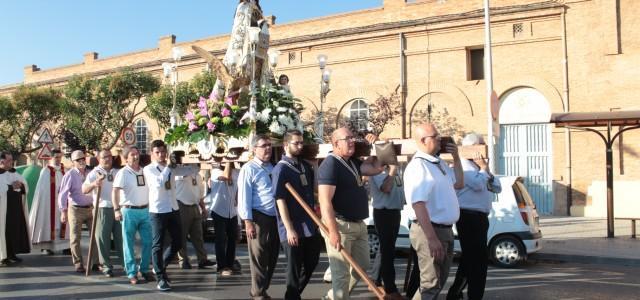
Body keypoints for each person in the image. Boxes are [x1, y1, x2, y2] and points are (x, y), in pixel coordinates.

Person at [318, 127, 386, 300]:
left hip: (359, 225)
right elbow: (324, 201)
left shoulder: (352, 162)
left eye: (352, 138)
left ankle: (333, 296)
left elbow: (377, 168)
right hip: (340, 226)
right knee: (340, 274)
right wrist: (332, 232)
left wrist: (376, 144)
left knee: (361, 267)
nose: (351, 141)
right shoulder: (330, 164)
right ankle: (339, 296)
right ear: (335, 144)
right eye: (346, 138)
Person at [403, 123, 464, 300]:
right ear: (423, 140)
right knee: (430, 284)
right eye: (435, 136)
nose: (440, 139)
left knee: (436, 283)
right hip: (430, 230)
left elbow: (459, 183)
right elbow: (418, 204)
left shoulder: (439, 163)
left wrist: (457, 158)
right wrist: (431, 238)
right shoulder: (418, 166)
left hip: (444, 230)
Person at [447, 134, 501, 300]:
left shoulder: (480, 167)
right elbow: (478, 185)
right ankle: (474, 295)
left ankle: (455, 293)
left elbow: (497, 187)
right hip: (468, 217)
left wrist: (485, 170)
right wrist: (484, 169)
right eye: (481, 144)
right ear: (472, 148)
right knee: (478, 261)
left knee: (470, 260)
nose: (484, 148)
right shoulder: (463, 166)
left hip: (480, 218)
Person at [143, 140, 198, 291]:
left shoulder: (172, 168)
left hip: (173, 208)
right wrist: (169, 166)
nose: (161, 155)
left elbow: (190, 170)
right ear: (152, 154)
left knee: (179, 242)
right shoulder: (149, 169)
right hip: (158, 211)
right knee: (158, 245)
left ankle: (160, 266)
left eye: (163, 151)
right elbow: (159, 183)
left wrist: (197, 159)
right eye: (157, 152)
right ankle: (160, 278)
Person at [272, 130, 321, 300]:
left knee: (312, 262)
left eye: (302, 143)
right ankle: (292, 296)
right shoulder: (281, 169)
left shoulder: (305, 166)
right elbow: (280, 200)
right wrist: (289, 228)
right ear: (286, 145)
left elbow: (315, 190)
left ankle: (292, 296)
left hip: (309, 225)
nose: (300, 146)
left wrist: (315, 165)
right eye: (296, 143)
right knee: (294, 268)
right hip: (292, 227)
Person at [237, 134, 279, 300]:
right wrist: (247, 222)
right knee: (259, 257)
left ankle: (262, 288)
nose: (268, 148)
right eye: (263, 146)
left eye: (269, 145)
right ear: (254, 149)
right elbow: (244, 198)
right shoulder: (249, 169)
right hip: (258, 218)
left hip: (275, 217)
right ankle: (258, 292)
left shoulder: (273, 167)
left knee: (272, 256)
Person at [112, 146, 154, 285]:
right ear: (126, 157)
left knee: (148, 242)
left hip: (145, 211)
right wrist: (116, 209)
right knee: (128, 243)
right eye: (132, 154)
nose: (136, 157)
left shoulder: (144, 171)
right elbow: (115, 192)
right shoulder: (123, 173)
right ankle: (131, 272)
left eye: (137, 154)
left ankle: (144, 269)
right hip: (129, 211)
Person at [82, 149, 123, 278]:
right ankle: (106, 266)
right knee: (103, 239)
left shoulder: (117, 172)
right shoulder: (94, 173)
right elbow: (84, 189)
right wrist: (95, 184)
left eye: (110, 156)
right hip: (102, 208)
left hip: (118, 208)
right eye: (105, 157)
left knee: (121, 238)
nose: (108, 159)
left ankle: (126, 263)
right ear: (99, 159)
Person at [58, 150, 98, 273]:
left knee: (95, 236)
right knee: (75, 238)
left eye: (82, 158)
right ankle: (78, 263)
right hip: (75, 209)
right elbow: (62, 195)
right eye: (78, 160)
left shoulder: (91, 173)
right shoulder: (69, 175)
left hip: (91, 208)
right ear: (73, 162)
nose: (81, 161)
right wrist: (63, 211)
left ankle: (95, 262)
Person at [369, 164, 405, 299]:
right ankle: (390, 288)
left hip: (394, 211)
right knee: (387, 252)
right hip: (384, 213)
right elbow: (386, 188)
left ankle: (375, 280)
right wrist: (393, 170)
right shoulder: (378, 169)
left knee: (385, 250)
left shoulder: (391, 168)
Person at [175, 163, 215, 270]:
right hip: (182, 205)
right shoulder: (180, 173)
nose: (197, 166)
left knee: (198, 235)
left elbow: (200, 195)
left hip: (194, 205)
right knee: (182, 235)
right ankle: (183, 261)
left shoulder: (198, 176)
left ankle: (202, 259)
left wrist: (203, 209)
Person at [29, 149, 69, 255]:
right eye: (56, 157)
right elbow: (42, 191)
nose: (58, 159)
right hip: (49, 203)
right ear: (51, 158)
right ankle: (47, 246)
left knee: (64, 223)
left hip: (63, 203)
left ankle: (66, 246)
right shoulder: (46, 171)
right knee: (49, 221)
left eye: (60, 157)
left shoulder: (65, 171)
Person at [208, 161, 240, 276]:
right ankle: (221, 266)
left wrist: (237, 199)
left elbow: (238, 186)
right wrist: (228, 160)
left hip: (232, 211)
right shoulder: (215, 172)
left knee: (233, 238)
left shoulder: (236, 172)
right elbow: (226, 176)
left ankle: (230, 264)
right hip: (219, 210)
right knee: (221, 240)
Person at [0, 151, 30, 267]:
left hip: (14, 209)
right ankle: (3, 256)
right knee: (3, 232)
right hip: (2, 209)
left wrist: (21, 185)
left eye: (11, 160)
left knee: (13, 231)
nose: (11, 162)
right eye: (9, 160)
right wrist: (11, 186)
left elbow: (24, 184)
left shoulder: (14, 172)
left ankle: (12, 253)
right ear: (1, 161)